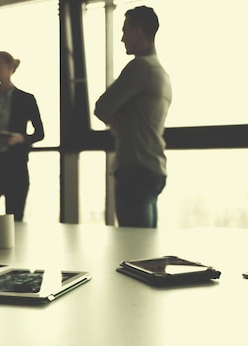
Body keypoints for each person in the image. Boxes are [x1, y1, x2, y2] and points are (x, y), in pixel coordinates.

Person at [94, 6, 172, 228]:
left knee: (134, 249)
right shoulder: (161, 72)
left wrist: (114, 117)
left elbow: (101, 107)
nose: (121, 38)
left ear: (138, 32)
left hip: (134, 169)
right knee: (146, 245)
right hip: (152, 167)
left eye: (125, 30)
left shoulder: (140, 67)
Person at [0, 51, 44, 222]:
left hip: (14, 165)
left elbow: (39, 133)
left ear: (10, 66)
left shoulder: (26, 99)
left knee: (14, 222)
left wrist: (20, 138)